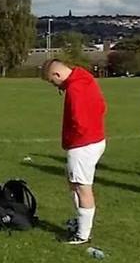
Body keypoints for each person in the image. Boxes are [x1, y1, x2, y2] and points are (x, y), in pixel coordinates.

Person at [43, 59, 107, 244]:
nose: (55, 86)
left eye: (53, 81)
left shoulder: (75, 89)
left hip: (83, 144)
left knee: (82, 187)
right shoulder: (85, 78)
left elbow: (80, 120)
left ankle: (83, 234)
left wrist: (74, 140)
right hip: (95, 139)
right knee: (74, 183)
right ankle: (81, 222)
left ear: (57, 74)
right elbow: (102, 106)